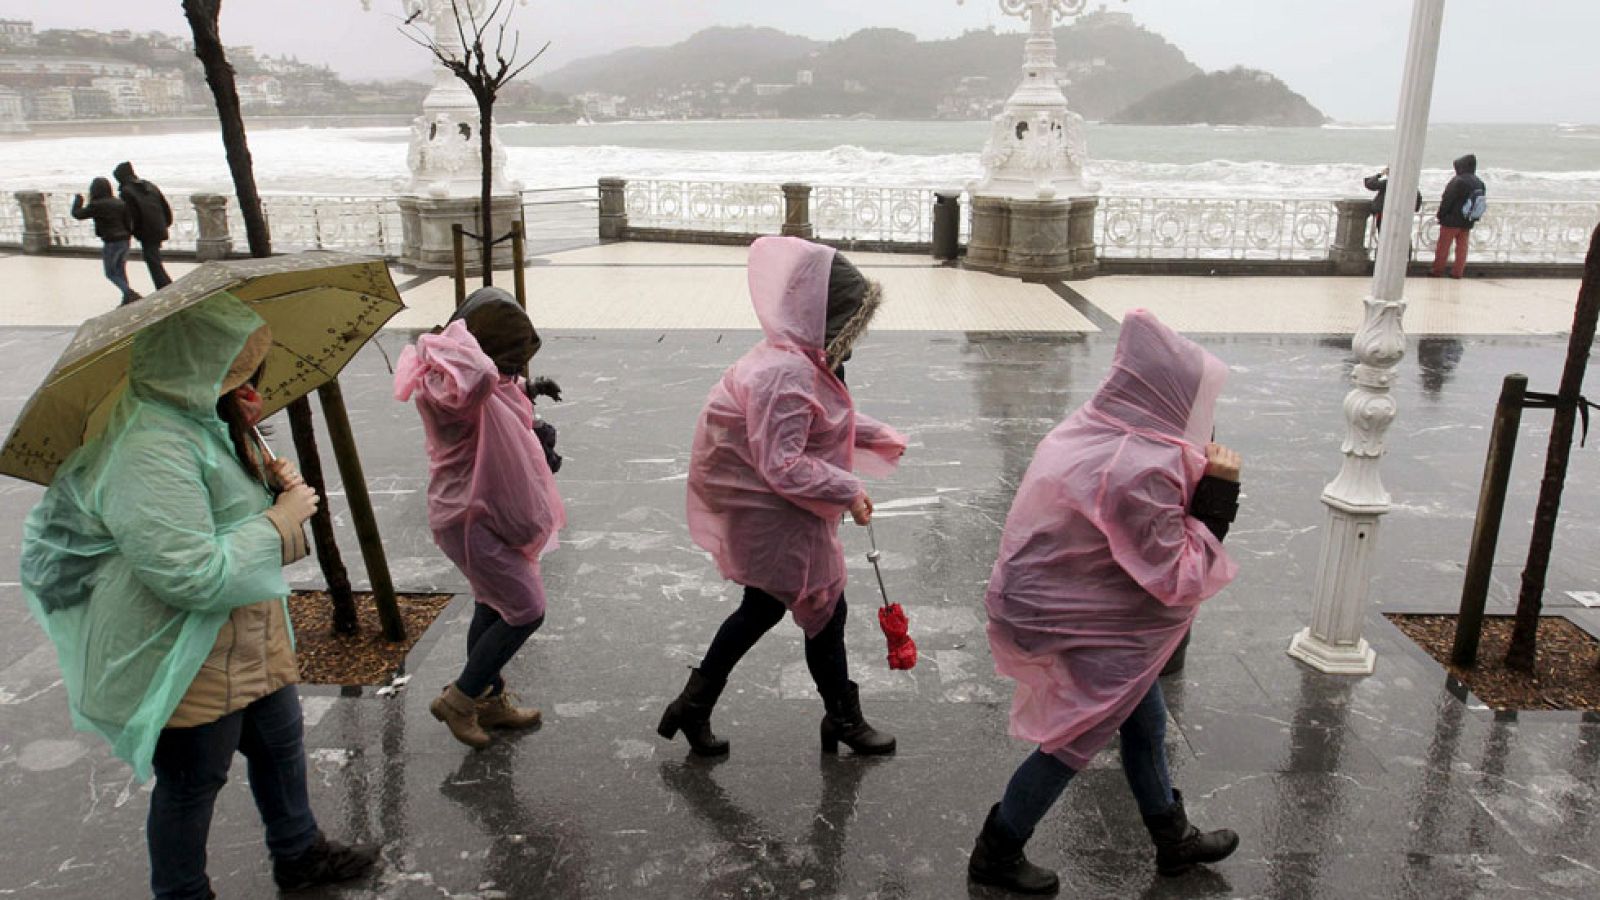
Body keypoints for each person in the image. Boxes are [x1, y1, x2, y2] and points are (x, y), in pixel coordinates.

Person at [19, 294, 378, 899]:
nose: (249, 387)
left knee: (280, 746)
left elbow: (230, 528)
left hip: (249, 636)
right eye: (237, 372)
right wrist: (279, 519)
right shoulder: (147, 448)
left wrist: (271, 493)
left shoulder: (207, 423)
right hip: (185, 653)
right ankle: (183, 892)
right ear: (198, 369)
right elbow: (186, 573)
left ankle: (298, 853)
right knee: (192, 781)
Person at [968, 309, 1242, 895]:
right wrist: (1219, 496)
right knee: (1076, 738)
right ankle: (999, 849)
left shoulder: (1102, 430)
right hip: (1083, 619)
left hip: (1057, 601)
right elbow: (1177, 574)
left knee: (1145, 722)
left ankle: (1173, 841)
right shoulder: (1138, 467)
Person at [658, 237, 906, 758]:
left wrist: (873, 436)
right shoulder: (787, 373)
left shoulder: (790, 357)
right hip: (772, 516)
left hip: (772, 514)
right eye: (848, 329)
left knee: (770, 608)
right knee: (820, 608)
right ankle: (841, 718)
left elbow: (820, 423)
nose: (851, 343)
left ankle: (695, 705)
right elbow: (783, 463)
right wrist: (850, 487)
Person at [394, 286, 565, 750]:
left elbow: (495, 389)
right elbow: (482, 381)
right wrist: (476, 349)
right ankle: (461, 698)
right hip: (472, 515)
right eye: (510, 362)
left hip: (477, 510)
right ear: (483, 352)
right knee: (527, 610)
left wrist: (529, 387)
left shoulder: (451, 376)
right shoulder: (460, 384)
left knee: (492, 603)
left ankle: (489, 698)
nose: (513, 373)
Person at [70, 176, 139, 304]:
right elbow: (129, 221)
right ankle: (127, 297)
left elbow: (78, 214)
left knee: (111, 273)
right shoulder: (120, 202)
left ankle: (129, 293)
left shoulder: (96, 205)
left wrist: (78, 201)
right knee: (120, 270)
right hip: (124, 240)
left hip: (111, 241)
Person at [114, 161, 175, 290]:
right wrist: (166, 223)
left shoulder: (126, 192)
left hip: (146, 230)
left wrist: (132, 231)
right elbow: (164, 205)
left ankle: (165, 288)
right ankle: (165, 286)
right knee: (154, 259)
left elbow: (132, 215)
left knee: (153, 260)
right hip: (159, 226)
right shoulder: (149, 185)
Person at [1432, 153, 1486, 278]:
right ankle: (1458, 272)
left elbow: (1447, 199)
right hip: (1468, 220)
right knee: (1462, 248)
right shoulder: (1479, 182)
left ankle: (1437, 270)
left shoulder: (1458, 180)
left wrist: (1441, 214)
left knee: (1443, 247)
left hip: (1451, 220)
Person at [1363, 166, 1422, 235]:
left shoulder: (1389, 183)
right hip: (1402, 216)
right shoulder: (1410, 185)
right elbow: (1417, 202)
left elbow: (1370, 184)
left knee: (1384, 236)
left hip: (1385, 214)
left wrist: (1380, 174)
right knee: (1401, 236)